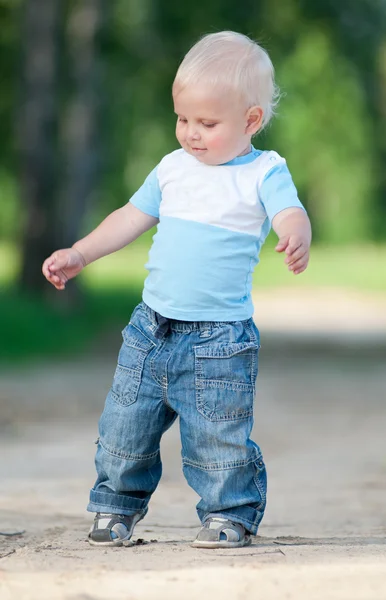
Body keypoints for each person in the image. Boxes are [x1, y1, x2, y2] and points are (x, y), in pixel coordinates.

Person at [42, 31, 311, 549]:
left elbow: (288, 210)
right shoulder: (172, 169)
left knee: (217, 436)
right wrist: (80, 253)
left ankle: (229, 513)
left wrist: (295, 232)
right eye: (183, 119)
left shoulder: (262, 171)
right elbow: (129, 217)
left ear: (251, 121)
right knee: (124, 428)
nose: (190, 133)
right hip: (151, 327)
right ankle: (115, 508)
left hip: (219, 341)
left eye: (207, 123)